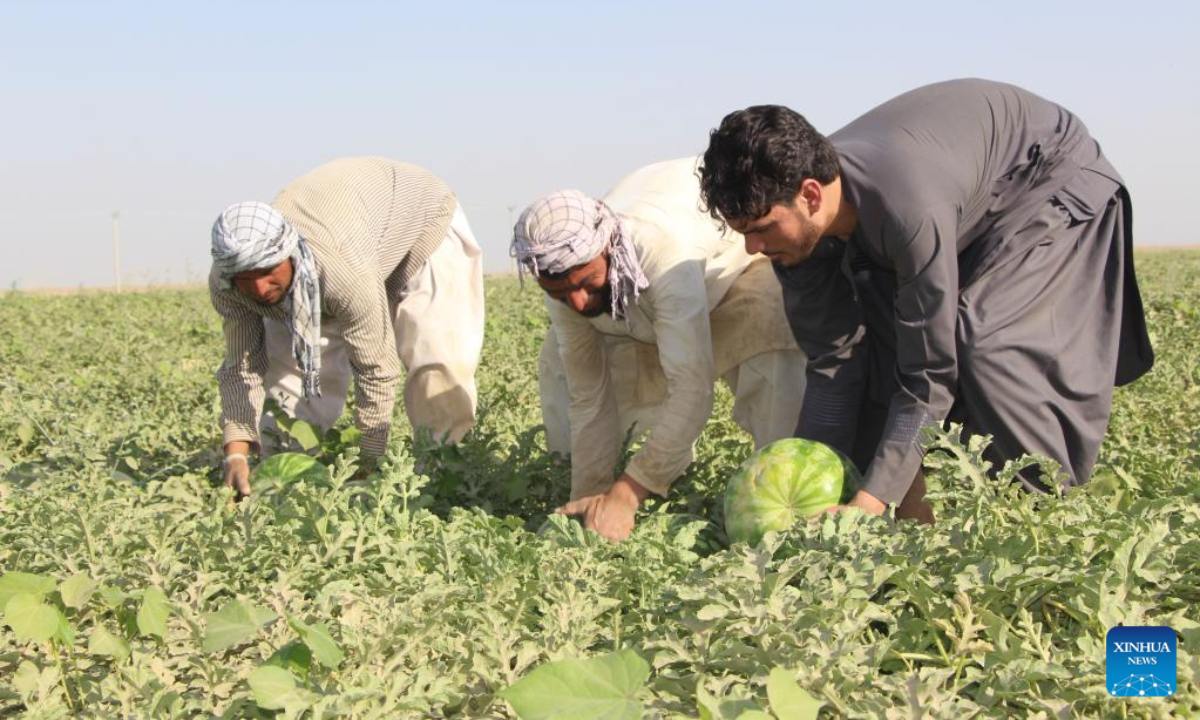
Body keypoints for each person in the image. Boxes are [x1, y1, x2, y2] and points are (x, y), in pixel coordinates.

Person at [698, 78, 1154, 523]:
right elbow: (834, 358)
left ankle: (1042, 513)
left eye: (760, 229)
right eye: (743, 234)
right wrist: (808, 478)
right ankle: (914, 511)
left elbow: (929, 375)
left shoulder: (907, 208)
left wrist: (870, 503)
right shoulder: (791, 235)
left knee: (983, 345)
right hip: (961, 201)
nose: (753, 249)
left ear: (811, 195)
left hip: (1045, 183)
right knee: (884, 351)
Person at [512, 157, 806, 541]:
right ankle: (611, 505)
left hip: (726, 273)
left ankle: (784, 513)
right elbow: (588, 396)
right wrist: (590, 498)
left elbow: (692, 387)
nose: (579, 303)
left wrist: (627, 492)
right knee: (560, 370)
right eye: (561, 293)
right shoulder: (563, 283)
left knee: (771, 344)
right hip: (640, 302)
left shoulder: (662, 253)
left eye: (586, 282)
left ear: (608, 249)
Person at [209, 156, 485, 497]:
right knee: (289, 384)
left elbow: (377, 369)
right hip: (354, 240)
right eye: (245, 280)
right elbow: (242, 366)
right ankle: (277, 482)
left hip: (421, 225)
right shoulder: (228, 283)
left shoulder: (341, 270)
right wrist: (235, 451)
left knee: (437, 363)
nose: (260, 289)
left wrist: (368, 463)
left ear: (289, 255)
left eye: (268, 274)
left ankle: (445, 479)